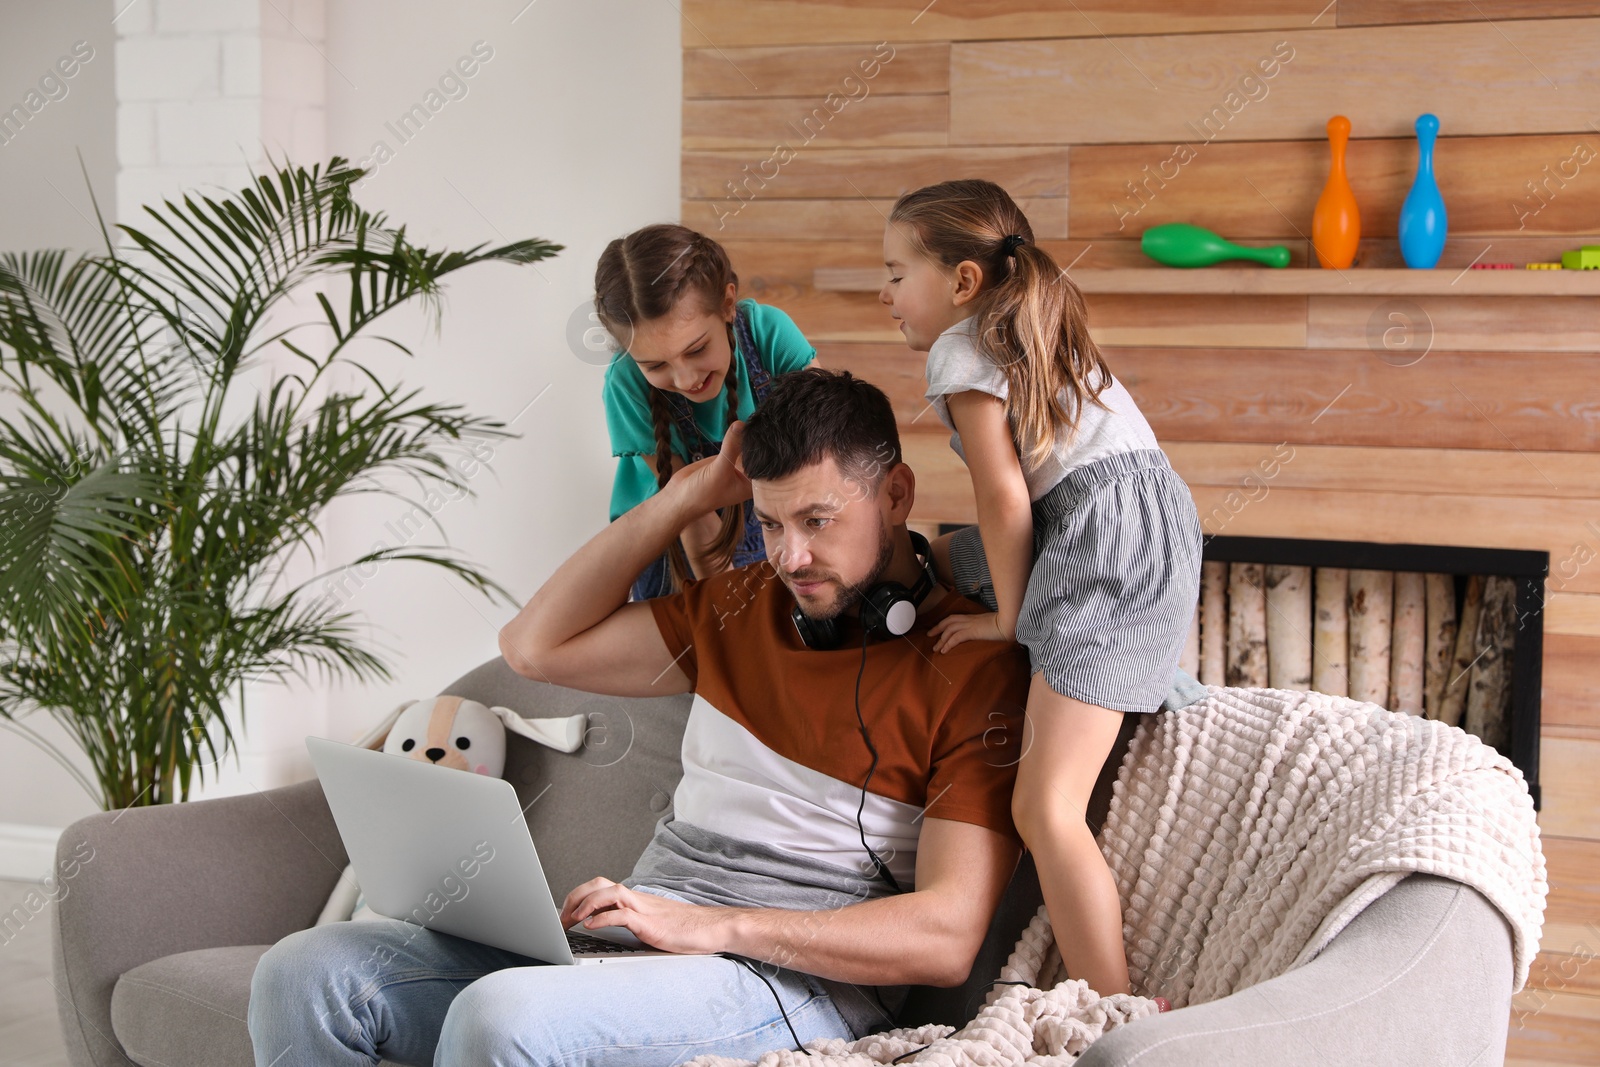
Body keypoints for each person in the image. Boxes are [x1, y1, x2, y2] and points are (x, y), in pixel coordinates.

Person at [247, 368, 1035, 1067]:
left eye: (818, 520)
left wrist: (716, 926)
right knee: (306, 973)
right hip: (636, 944)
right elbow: (534, 645)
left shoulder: (971, 663)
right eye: (770, 522)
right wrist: (686, 495)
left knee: (500, 1017)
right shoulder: (741, 605)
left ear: (896, 494)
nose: (791, 556)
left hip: (790, 982)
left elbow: (948, 932)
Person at [878, 178, 1204, 1000]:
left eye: (894, 272)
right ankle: (1143, 674)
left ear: (961, 282)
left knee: (1043, 809)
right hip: (1147, 521)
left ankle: (1120, 1008)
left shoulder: (960, 349)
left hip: (1094, 541)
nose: (885, 293)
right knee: (944, 559)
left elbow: (1003, 496)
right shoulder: (1033, 329)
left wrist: (1009, 623)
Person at [596, 223, 818, 601]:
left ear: (728, 305)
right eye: (655, 366)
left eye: (697, 350)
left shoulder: (769, 333)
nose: (685, 379)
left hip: (777, 514)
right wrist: (730, 611)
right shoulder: (625, 384)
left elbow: (826, 442)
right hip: (675, 542)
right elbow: (691, 515)